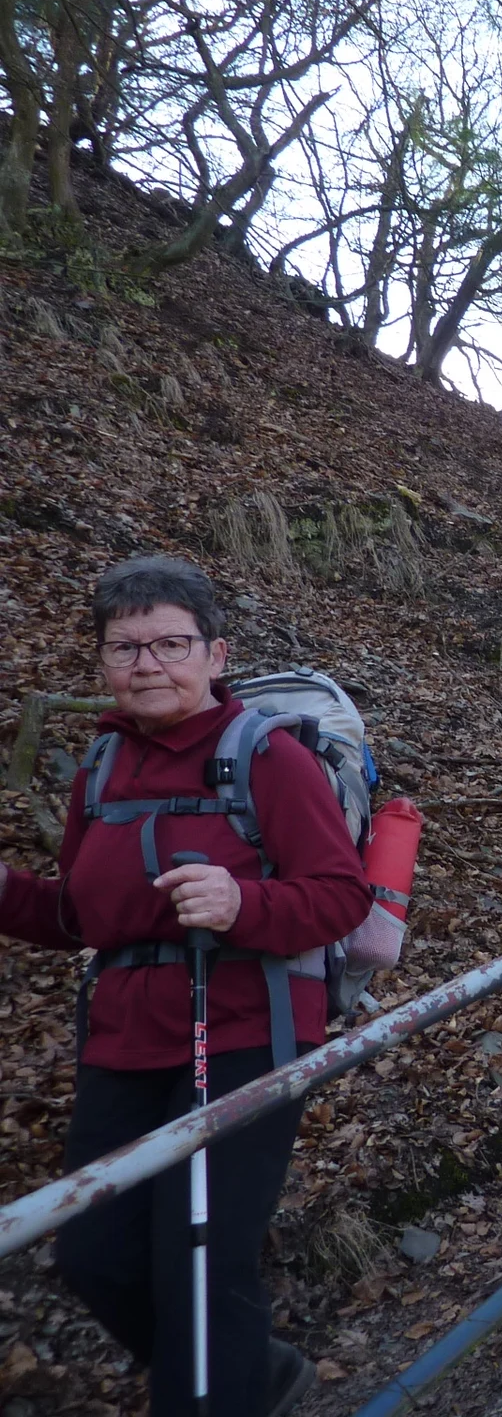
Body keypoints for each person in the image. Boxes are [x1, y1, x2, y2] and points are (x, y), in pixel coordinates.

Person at [0, 556, 370, 1417]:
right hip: (123, 1040)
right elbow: (80, 919)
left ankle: (218, 1391)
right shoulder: (100, 767)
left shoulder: (265, 756)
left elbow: (339, 894)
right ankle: (257, 1374)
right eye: (125, 647)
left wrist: (243, 902)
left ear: (215, 653)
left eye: (171, 643)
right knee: (94, 1256)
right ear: (101, 662)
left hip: (242, 1030)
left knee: (199, 1259)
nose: (147, 664)